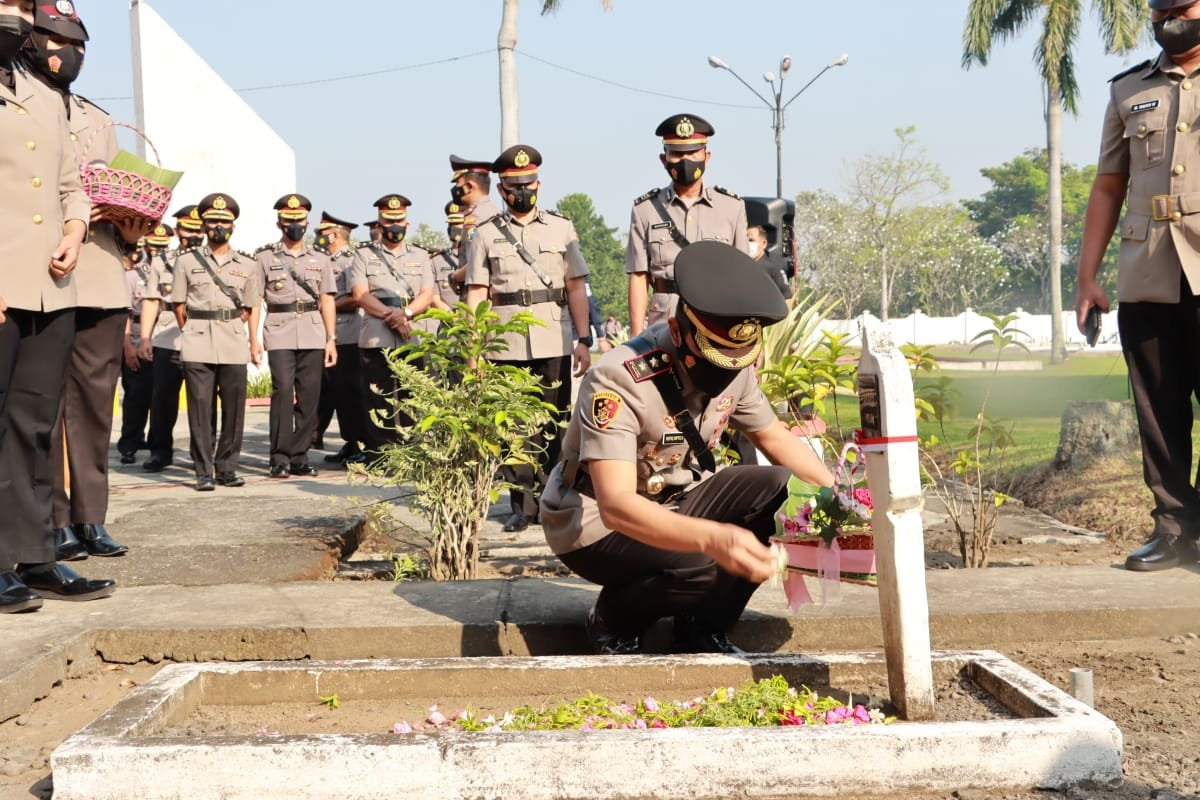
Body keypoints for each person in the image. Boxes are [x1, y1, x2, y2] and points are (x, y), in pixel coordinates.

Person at [540, 241, 834, 654]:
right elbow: (616, 504)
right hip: (592, 522)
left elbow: (773, 437)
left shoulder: (733, 366)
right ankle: (614, 617)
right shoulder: (618, 380)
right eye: (713, 359)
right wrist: (714, 538)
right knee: (703, 558)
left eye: (737, 360)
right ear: (678, 332)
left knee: (784, 493)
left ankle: (704, 627)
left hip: (677, 498)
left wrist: (841, 501)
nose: (725, 373)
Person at [1076, 0, 1200, 572]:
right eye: (1163, 11)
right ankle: (1173, 529)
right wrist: (1088, 278)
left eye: (1184, 9)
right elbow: (1107, 187)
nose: (1172, 20)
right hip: (1148, 270)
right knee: (1158, 409)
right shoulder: (1128, 90)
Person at [0, 0, 111, 612]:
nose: (15, 16)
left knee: (36, 424)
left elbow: (70, 182)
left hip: (51, 284)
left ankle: (37, 554)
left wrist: (73, 230)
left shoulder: (44, 95)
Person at [25, 3, 137, 563]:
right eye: (54, 38)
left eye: (78, 43)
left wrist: (132, 221)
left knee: (94, 406)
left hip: (100, 273)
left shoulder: (99, 119)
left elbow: (121, 197)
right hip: (39, 273)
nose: (69, 52)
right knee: (41, 406)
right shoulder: (17, 101)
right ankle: (52, 520)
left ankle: (91, 517)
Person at [464, 145, 594, 533]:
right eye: (514, 186)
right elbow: (476, 293)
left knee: (553, 424)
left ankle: (552, 497)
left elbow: (575, 286)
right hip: (505, 345)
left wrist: (584, 339)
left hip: (552, 338)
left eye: (528, 183)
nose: (523, 191)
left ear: (539, 183)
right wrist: (475, 348)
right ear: (502, 190)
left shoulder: (562, 228)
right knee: (512, 428)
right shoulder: (485, 234)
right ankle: (522, 505)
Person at [626, 113, 749, 337]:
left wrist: (749, 334)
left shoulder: (732, 207)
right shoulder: (645, 209)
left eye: (693, 152)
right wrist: (636, 337)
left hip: (716, 319)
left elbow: (743, 276)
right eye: (677, 154)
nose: (685, 160)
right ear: (664, 159)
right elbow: (638, 275)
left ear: (707, 156)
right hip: (663, 322)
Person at [170, 193, 262, 491]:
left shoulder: (248, 264)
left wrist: (248, 338)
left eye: (224, 222)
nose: (218, 227)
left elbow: (249, 308)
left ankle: (227, 467)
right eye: (212, 222)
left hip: (232, 339)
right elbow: (179, 306)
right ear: (204, 226)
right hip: (197, 339)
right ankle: (203, 471)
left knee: (234, 409)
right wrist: (197, 328)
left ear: (233, 226)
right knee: (199, 408)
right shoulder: (186, 261)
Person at [251, 194, 338, 479]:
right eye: (288, 221)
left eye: (299, 221)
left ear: (307, 222)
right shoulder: (264, 257)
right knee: (283, 392)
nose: (294, 226)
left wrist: (331, 339)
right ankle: (279, 458)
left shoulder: (320, 259)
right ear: (279, 223)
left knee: (310, 396)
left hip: (313, 331)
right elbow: (254, 301)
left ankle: (299, 457)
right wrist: (253, 339)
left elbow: (327, 299)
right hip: (279, 330)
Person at [347, 194, 435, 456]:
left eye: (399, 220)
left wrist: (405, 313)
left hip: (413, 334)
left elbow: (427, 294)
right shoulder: (363, 255)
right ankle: (382, 453)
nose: (394, 226)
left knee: (412, 395)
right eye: (389, 221)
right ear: (379, 224)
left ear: (407, 223)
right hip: (377, 335)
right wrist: (393, 316)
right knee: (378, 397)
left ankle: (412, 451)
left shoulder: (421, 255)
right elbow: (360, 295)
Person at [137, 205, 203, 472]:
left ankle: (202, 456)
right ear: (177, 231)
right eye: (188, 229)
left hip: (202, 335)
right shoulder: (161, 261)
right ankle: (160, 451)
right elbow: (152, 300)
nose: (194, 234)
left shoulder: (212, 260)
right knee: (162, 399)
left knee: (202, 401)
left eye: (198, 229)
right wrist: (144, 338)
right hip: (167, 336)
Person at [314, 211, 369, 466]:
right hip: (327, 333)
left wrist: (328, 305)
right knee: (336, 393)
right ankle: (350, 442)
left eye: (321, 234)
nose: (318, 238)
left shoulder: (349, 261)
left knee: (350, 392)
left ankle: (360, 443)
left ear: (334, 235)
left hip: (347, 333)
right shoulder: (325, 260)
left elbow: (356, 297)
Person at [118, 222, 173, 463]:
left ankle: (156, 445)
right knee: (136, 395)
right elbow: (125, 313)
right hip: (138, 336)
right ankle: (130, 443)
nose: (157, 250)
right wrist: (129, 345)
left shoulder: (175, 270)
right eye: (154, 245)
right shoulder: (131, 276)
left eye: (163, 246)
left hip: (166, 338)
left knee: (161, 396)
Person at [448, 153, 499, 287]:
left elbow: (476, 262)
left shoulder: (476, 218)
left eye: (458, 184)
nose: (455, 189)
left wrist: (454, 276)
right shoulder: (493, 211)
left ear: (469, 187)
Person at [747, 224, 793, 302]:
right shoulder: (741, 266)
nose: (748, 244)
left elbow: (787, 296)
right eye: (745, 240)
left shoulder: (773, 268)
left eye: (751, 240)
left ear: (764, 243)